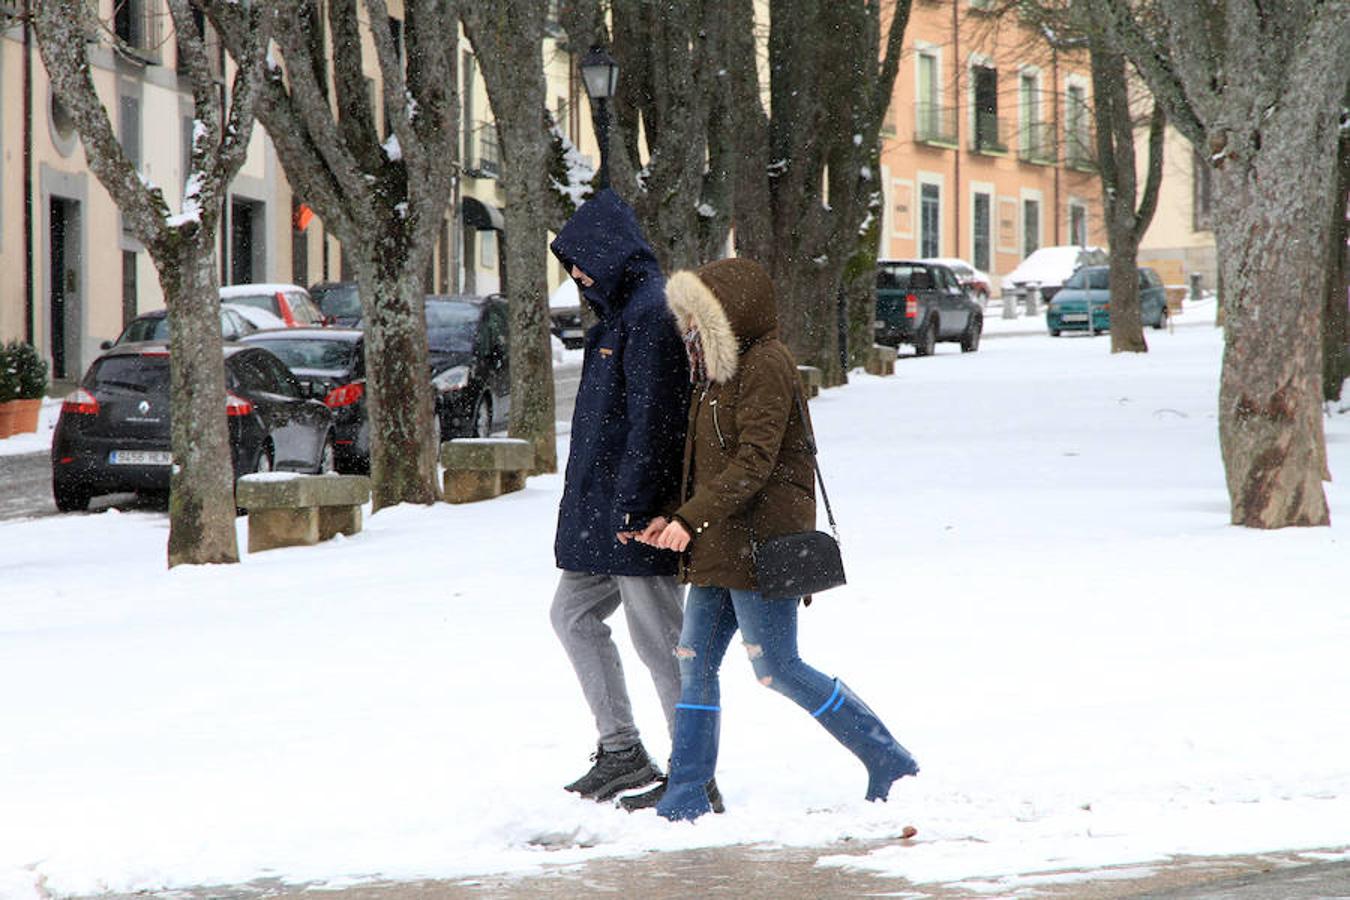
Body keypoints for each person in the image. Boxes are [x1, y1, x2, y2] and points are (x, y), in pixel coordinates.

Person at [639, 257, 919, 821]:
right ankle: (686, 794)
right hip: (719, 544)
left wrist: (689, 521)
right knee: (693, 662)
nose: (688, 328)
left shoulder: (766, 364)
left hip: (761, 546)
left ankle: (887, 758)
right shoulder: (713, 374)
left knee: (778, 668)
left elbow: (754, 463)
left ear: (727, 316)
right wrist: (670, 515)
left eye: (698, 317)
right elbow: (705, 466)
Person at [548, 189, 692, 803]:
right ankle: (622, 751)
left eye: (581, 263)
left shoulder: (652, 315)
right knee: (572, 615)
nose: (577, 276)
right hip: (602, 511)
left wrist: (639, 506)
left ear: (609, 254)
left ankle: (693, 773)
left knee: (661, 642)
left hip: (637, 512)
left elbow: (655, 423)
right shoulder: (618, 315)